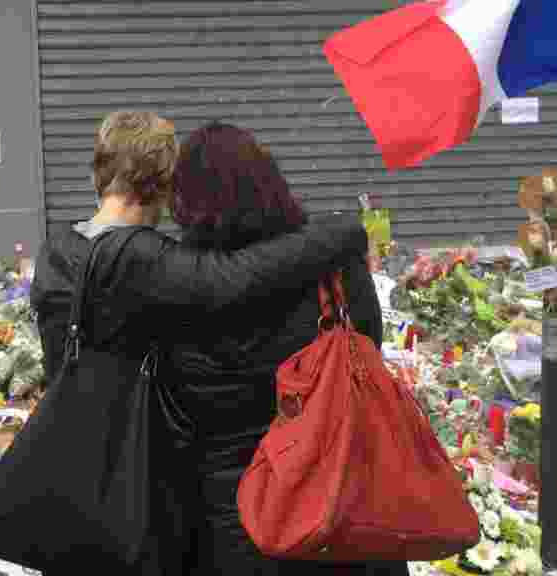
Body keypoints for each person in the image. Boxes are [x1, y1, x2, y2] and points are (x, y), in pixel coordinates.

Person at [29, 111, 370, 575]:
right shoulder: (159, 265)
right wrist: (343, 232)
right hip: (339, 500)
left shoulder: (72, 258)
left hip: (225, 514)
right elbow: (363, 344)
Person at [166, 121, 402, 576]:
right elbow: (369, 347)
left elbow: (173, 402)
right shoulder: (332, 268)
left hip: (233, 521)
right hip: (336, 503)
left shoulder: (177, 284)